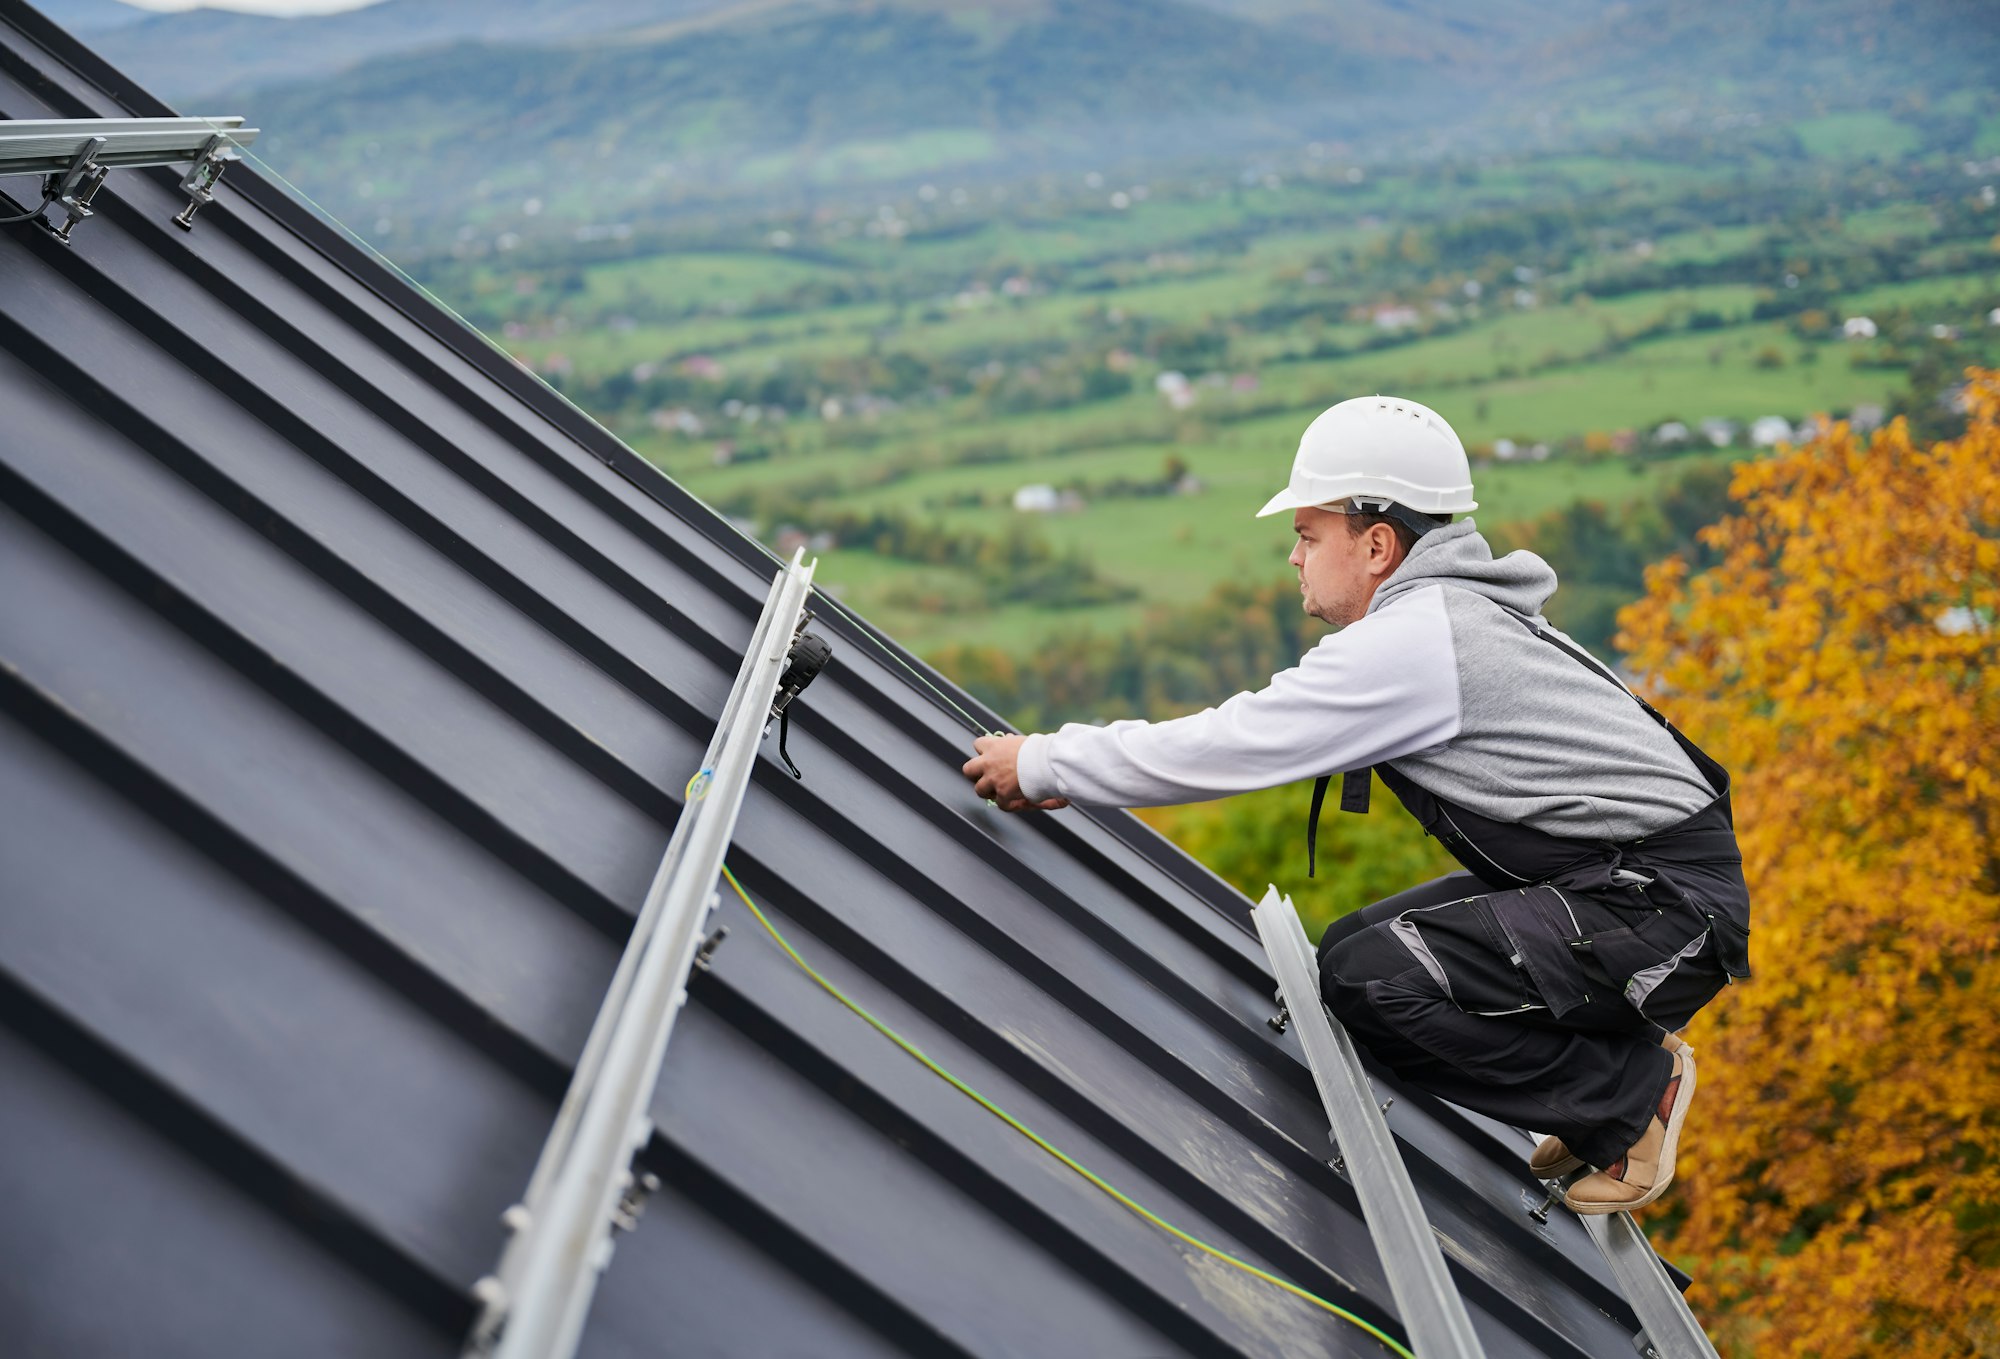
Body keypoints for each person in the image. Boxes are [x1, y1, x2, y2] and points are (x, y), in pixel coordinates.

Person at [960, 394, 1751, 1214]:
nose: (1294, 559)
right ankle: (1597, 1084)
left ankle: (1623, 1094)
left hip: (1660, 911)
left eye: (1307, 535)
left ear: (1377, 544)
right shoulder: (1449, 613)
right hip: (1630, 889)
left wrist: (1049, 762)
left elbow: (1232, 742)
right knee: (1358, 946)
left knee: (1373, 982)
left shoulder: (1417, 639)